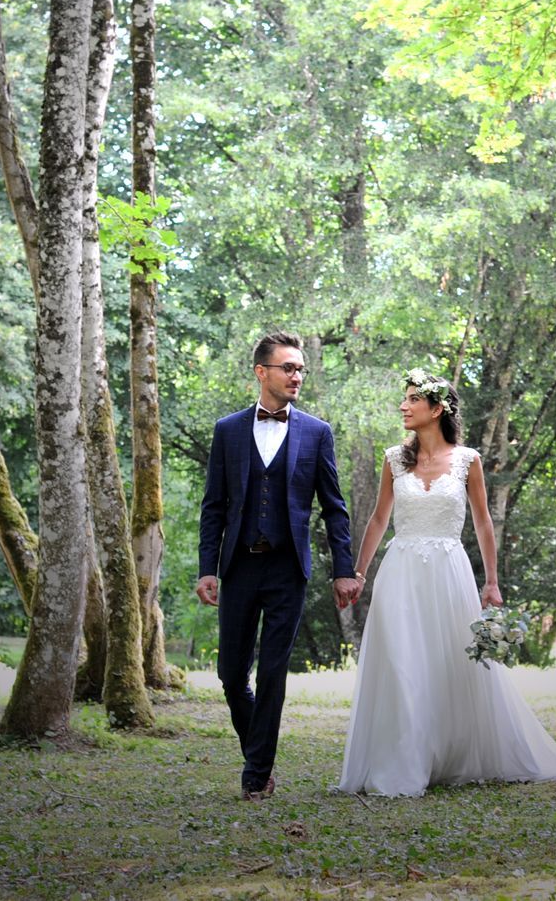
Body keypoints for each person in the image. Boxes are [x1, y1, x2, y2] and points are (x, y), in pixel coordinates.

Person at [337, 368, 556, 797]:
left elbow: (483, 522)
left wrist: (491, 582)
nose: (404, 406)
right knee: (401, 662)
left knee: (448, 665)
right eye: (405, 398)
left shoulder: (468, 460)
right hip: (400, 571)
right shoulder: (394, 459)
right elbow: (380, 518)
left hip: (449, 572)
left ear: (437, 409)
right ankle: (402, 764)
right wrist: (359, 573)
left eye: (413, 399)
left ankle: (445, 755)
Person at [197, 331, 360, 801]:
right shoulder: (228, 430)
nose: (297, 376)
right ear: (261, 372)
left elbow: (334, 508)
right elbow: (213, 506)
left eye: (300, 369)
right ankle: (258, 750)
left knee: (272, 672)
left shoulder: (317, 432)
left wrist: (343, 570)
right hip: (239, 567)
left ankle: (257, 774)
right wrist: (207, 569)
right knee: (232, 676)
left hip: (288, 569)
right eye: (288, 368)